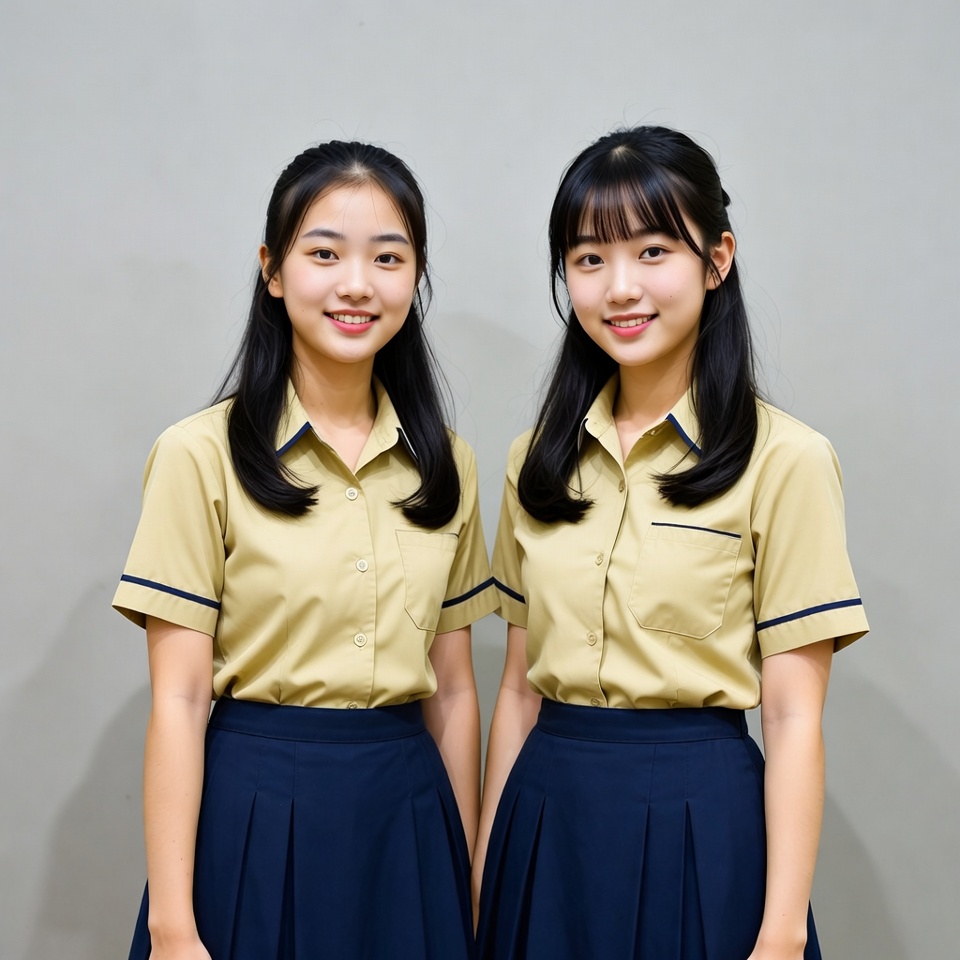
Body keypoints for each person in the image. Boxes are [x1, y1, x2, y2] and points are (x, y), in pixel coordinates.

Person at [474, 126, 869, 960]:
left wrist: (780, 932)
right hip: (546, 825)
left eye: (653, 251)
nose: (621, 288)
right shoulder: (534, 462)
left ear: (717, 259)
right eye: (589, 259)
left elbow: (793, 717)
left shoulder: (785, 460)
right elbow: (517, 692)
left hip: (703, 823)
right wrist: (487, 881)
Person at [113, 141, 497, 960]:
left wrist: (460, 879)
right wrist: (173, 925)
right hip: (253, 815)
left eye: (387, 258)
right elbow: (179, 700)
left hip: (407, 825)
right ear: (273, 271)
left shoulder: (447, 464)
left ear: (415, 279)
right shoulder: (199, 455)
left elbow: (457, 692)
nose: (357, 284)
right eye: (324, 254)